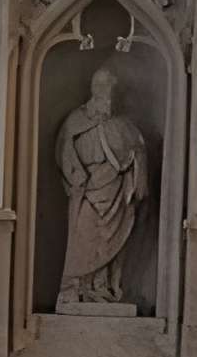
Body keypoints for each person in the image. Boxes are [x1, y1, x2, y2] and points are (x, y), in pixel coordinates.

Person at [55, 68, 149, 308]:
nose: (102, 88)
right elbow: (64, 151)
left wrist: (134, 166)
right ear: (91, 87)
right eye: (98, 83)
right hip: (88, 189)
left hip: (116, 192)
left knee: (113, 241)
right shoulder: (76, 120)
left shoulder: (124, 126)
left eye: (107, 84)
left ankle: (105, 287)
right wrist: (78, 178)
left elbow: (138, 151)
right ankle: (80, 289)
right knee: (84, 237)